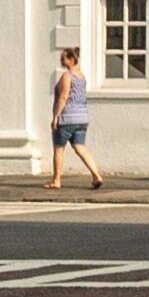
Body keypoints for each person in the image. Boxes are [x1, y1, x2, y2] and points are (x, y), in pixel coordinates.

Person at [49, 46, 103, 190]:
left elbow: (64, 96)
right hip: (82, 117)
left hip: (68, 117)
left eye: (64, 58)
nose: (61, 60)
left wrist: (56, 116)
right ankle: (96, 175)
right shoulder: (82, 76)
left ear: (72, 59)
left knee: (58, 149)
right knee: (80, 147)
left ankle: (56, 180)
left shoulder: (67, 76)